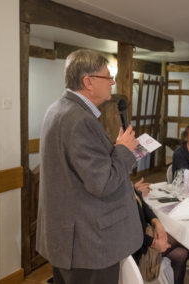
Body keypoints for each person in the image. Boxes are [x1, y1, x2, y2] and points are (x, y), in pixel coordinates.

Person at [37, 49, 143, 284]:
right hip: (89, 243)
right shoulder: (80, 120)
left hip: (67, 235)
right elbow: (102, 183)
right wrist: (124, 150)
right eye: (108, 77)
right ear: (88, 81)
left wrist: (114, 149)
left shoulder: (57, 110)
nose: (113, 82)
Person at [132, 181, 188, 284]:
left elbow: (143, 206)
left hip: (142, 238)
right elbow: (130, 232)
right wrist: (153, 243)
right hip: (136, 249)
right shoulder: (117, 190)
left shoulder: (125, 182)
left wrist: (156, 223)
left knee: (181, 254)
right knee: (182, 238)